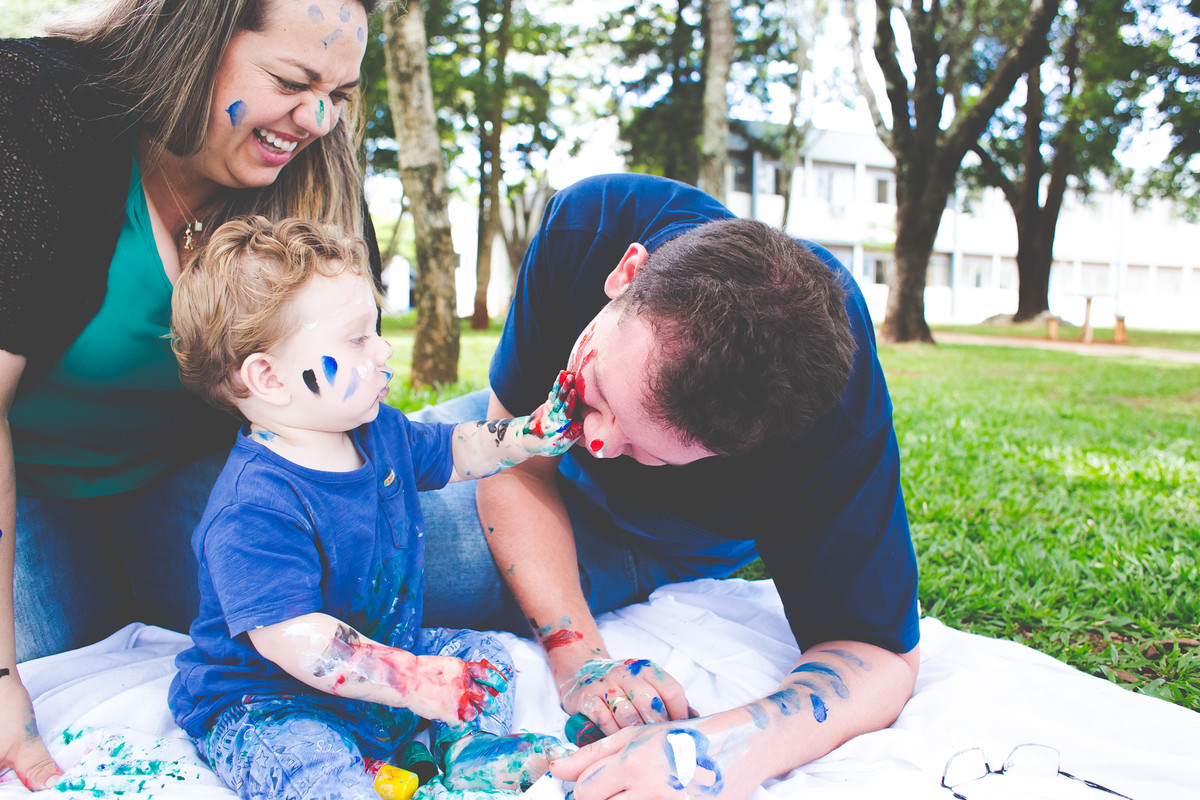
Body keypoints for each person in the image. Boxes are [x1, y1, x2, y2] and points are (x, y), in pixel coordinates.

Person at [410, 173, 922, 800]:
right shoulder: (590, 223)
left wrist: (716, 750)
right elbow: (522, 461)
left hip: (654, 531)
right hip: (514, 439)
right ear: (626, 274)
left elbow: (879, 654)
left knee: (372, 558)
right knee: (316, 481)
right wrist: (583, 661)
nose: (593, 444)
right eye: (594, 391)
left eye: (651, 451)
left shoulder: (829, 417)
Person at [0, 0, 383, 790]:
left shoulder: (311, 177)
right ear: (196, 35)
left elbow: (340, 403)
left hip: (202, 479)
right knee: (45, 667)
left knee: (423, 583)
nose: (317, 120)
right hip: (24, 488)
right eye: (292, 80)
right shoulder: (36, 109)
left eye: (339, 94)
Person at [166, 216, 577, 800]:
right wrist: (408, 681)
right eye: (357, 338)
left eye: (376, 329)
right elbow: (298, 641)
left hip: (386, 662)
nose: (384, 350)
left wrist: (533, 434)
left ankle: (447, 754)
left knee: (486, 658)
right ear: (268, 377)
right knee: (308, 769)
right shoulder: (253, 509)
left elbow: (458, 450)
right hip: (271, 699)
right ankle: (379, 771)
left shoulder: (377, 431)